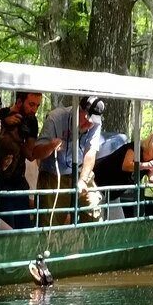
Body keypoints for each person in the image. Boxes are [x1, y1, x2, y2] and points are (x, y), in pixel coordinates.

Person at [36, 95, 105, 224]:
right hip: (54, 175)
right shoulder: (56, 117)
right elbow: (36, 152)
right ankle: (50, 241)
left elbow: (91, 152)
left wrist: (83, 180)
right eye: (85, 119)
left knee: (95, 208)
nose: (88, 124)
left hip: (80, 172)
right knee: (51, 221)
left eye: (92, 122)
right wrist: (50, 146)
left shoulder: (95, 124)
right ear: (78, 110)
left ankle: (92, 240)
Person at [0, 91, 59, 227]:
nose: (34, 109)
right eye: (31, 104)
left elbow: (30, 154)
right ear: (19, 102)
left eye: (37, 106)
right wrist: (4, 124)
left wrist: (50, 146)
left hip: (18, 181)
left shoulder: (31, 121)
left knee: (23, 227)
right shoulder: (0, 114)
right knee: (5, 228)